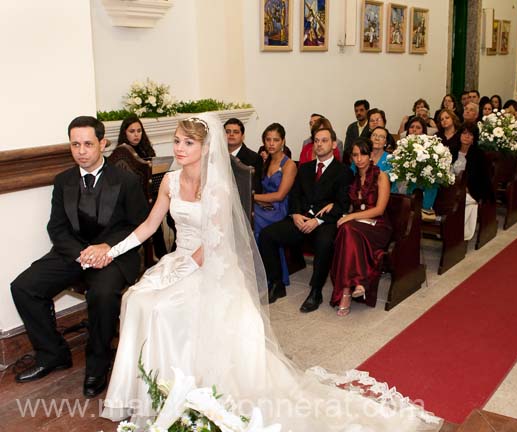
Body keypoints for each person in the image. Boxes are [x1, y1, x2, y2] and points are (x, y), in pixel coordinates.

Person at [101, 114, 438, 430]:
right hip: (182, 260)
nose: (179, 148)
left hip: (209, 265)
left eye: (188, 143)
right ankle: (152, 391)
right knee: (137, 298)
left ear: (205, 148)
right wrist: (111, 250)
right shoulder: (170, 182)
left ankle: (181, 388)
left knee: (161, 307)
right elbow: (148, 226)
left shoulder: (216, 188)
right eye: (176, 141)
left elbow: (213, 243)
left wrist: (181, 272)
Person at [11, 116, 148, 397]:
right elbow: (57, 227)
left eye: (88, 144)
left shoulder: (126, 180)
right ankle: (52, 354)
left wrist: (107, 248)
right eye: (75, 144)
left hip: (116, 253)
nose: (81, 151)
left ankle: (98, 363)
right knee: (24, 287)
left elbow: (136, 225)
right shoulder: (63, 181)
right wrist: (82, 254)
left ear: (102, 143)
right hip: (73, 252)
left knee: (102, 294)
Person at [260, 126, 353, 312]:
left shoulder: (343, 171)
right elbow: (295, 195)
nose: (319, 144)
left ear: (334, 144)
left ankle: (316, 291)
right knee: (267, 235)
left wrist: (317, 221)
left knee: (325, 242)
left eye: (324, 140)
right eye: (316, 140)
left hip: (324, 221)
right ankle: (277, 283)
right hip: (301, 218)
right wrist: (295, 214)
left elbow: (342, 204)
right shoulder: (305, 168)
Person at [329, 138, 392, 316]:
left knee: (347, 229)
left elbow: (379, 209)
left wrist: (351, 216)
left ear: (371, 155)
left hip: (378, 226)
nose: (359, 159)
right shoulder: (353, 178)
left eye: (363, 154)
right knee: (345, 231)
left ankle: (348, 290)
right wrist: (334, 207)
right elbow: (346, 204)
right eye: (355, 155)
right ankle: (353, 285)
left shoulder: (381, 176)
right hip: (357, 227)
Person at [253, 123, 297, 290]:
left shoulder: (289, 165)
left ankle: (268, 277)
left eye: (276, 140)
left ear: (283, 141)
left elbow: (280, 196)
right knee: (245, 215)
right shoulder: (266, 161)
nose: (271, 144)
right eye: (268, 140)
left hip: (280, 209)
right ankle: (259, 273)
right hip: (264, 205)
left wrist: (252, 198)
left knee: (254, 219)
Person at [118, 115, 168, 259]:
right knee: (154, 215)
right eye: (132, 131)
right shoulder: (122, 153)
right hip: (133, 200)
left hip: (150, 194)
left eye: (139, 131)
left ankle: (167, 252)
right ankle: (158, 255)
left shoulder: (146, 150)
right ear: (125, 133)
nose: (136, 135)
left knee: (166, 209)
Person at [450, 123, 494, 241]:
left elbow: (482, 178)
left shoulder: (479, 155)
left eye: (470, 134)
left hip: (471, 189)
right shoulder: (451, 150)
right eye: (464, 133)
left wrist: (467, 188)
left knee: (467, 202)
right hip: (450, 187)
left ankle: (457, 233)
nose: (466, 136)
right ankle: (454, 231)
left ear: (474, 137)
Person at [224, 117, 263, 193]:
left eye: (236, 132)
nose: (231, 134)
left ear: (242, 136)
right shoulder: (217, 155)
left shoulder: (254, 158)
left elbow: (256, 189)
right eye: (227, 132)